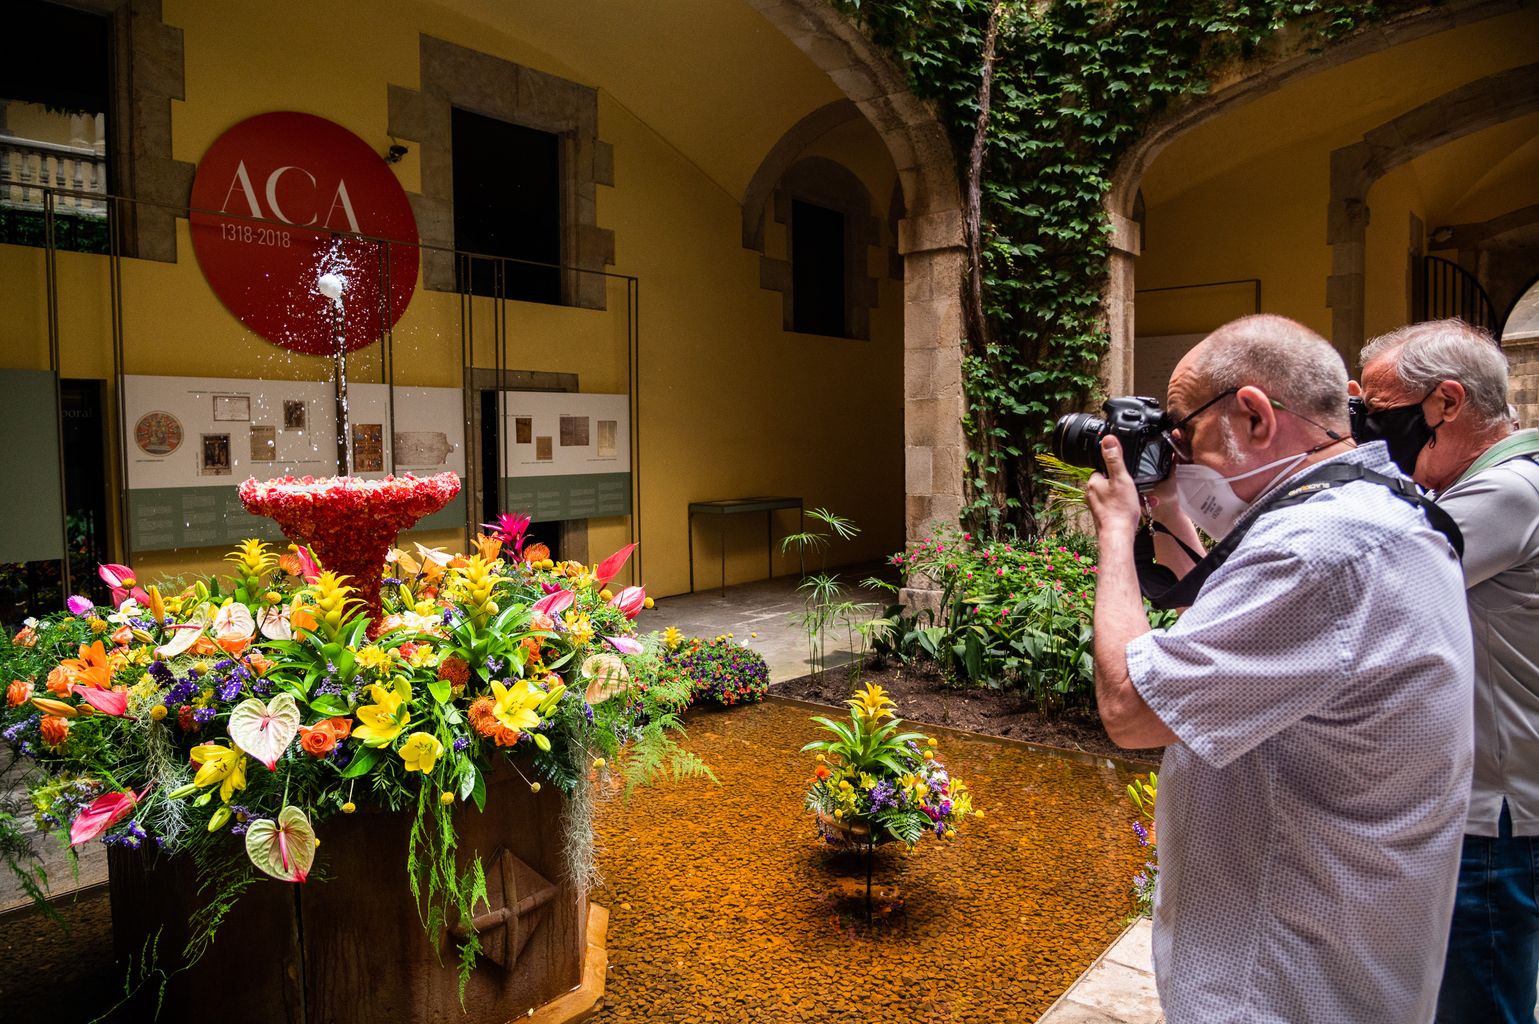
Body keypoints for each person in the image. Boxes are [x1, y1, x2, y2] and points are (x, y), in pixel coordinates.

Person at [1084, 314, 1473, 1023]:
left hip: (1280, 976)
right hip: (1347, 942)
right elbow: (1223, 617)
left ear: (1254, 416)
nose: (1179, 451)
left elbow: (1130, 708)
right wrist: (1167, 505)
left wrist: (1116, 533)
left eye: (1185, 433)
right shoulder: (1377, 506)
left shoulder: (1319, 549)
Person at [1356, 319, 1539, 1024]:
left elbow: (1366, 581)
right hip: (1476, 805)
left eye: (1383, 411)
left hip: (1490, 817)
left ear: (1447, 403)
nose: (1375, 429)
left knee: (1479, 1007)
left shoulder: (1506, 493)